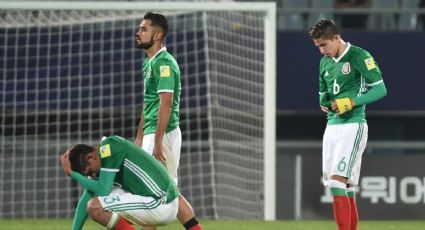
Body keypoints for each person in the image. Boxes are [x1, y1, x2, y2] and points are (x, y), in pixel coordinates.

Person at [309, 19, 387, 230]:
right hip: (332, 126)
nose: (321, 50)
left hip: (353, 124)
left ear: (336, 38)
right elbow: (323, 94)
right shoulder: (324, 62)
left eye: (324, 45)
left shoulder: (359, 56)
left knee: (337, 183)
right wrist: (325, 103)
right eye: (318, 47)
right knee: (345, 187)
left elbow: (380, 90)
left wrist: (352, 102)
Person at [134, 12, 202, 230]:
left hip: (163, 134)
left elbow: (166, 103)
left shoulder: (164, 63)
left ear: (157, 35)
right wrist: (139, 136)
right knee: (150, 192)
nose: (138, 32)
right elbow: (149, 103)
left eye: (144, 29)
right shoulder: (149, 63)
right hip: (152, 133)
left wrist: (157, 142)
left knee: (165, 192)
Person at [60, 135, 179, 230]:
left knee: (96, 206)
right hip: (154, 200)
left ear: (91, 157)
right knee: (99, 205)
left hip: (161, 202)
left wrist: (73, 175)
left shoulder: (108, 148)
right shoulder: (102, 159)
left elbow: (102, 190)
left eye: (90, 172)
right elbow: (85, 200)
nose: (93, 176)